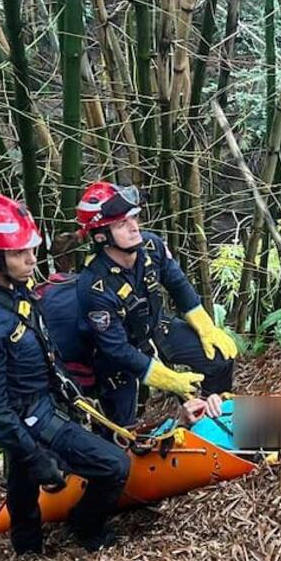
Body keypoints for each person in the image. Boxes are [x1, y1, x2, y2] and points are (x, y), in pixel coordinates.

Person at [0, 194, 130, 555]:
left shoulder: (11, 287)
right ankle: (86, 526)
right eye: (20, 254)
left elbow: (42, 347)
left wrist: (73, 393)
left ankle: (28, 544)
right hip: (30, 415)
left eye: (31, 250)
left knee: (22, 475)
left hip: (45, 400)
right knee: (114, 466)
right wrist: (34, 454)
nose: (32, 260)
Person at [75, 181, 238, 427]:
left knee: (220, 358)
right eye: (122, 223)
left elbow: (179, 286)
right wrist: (170, 379)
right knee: (120, 425)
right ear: (101, 237)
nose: (134, 227)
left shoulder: (152, 246)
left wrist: (206, 328)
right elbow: (118, 350)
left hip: (156, 326)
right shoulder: (93, 286)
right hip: (118, 354)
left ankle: (211, 417)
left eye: (134, 218)